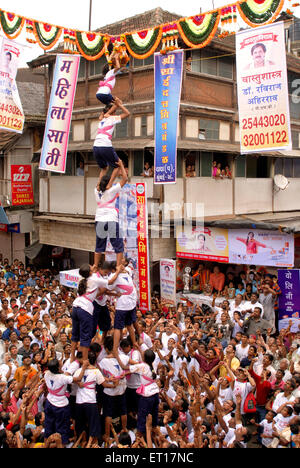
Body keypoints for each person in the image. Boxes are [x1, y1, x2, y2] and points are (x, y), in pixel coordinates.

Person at [71, 263, 123, 362]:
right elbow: (111, 281)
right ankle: (84, 360)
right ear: (90, 272)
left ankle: (72, 358)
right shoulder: (94, 279)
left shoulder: (81, 279)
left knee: (75, 335)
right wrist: (118, 271)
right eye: (91, 267)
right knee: (86, 336)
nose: (93, 267)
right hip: (85, 309)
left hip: (75, 306)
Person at [93, 160, 128, 269]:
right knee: (118, 245)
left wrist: (104, 169)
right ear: (109, 184)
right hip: (111, 220)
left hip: (99, 219)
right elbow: (125, 179)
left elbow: (99, 181)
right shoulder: (112, 190)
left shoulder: (96, 191)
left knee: (99, 246)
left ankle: (95, 265)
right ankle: (118, 267)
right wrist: (121, 165)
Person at [93, 97, 130, 189]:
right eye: (115, 111)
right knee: (117, 166)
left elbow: (103, 114)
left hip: (96, 145)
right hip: (105, 144)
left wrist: (114, 105)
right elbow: (127, 113)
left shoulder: (101, 119)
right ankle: (109, 184)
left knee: (104, 168)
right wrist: (119, 104)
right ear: (112, 112)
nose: (116, 112)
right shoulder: (112, 118)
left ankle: (98, 185)